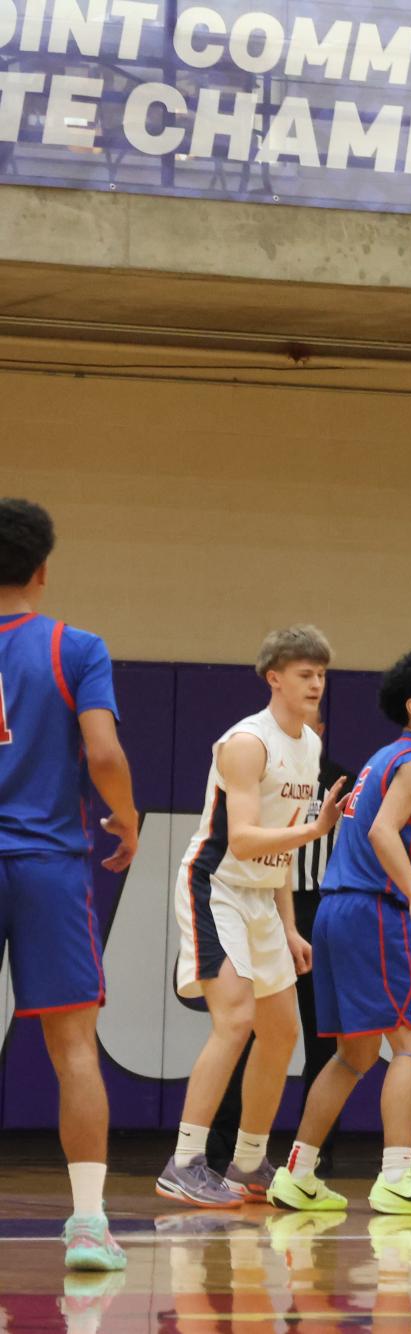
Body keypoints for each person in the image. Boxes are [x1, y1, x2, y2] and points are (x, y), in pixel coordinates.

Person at [266, 649, 411, 1217]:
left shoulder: (382, 758)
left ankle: (298, 1174)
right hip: (375, 912)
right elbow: (384, 832)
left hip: (335, 911)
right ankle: (398, 1176)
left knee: (354, 1054)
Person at [157, 627, 346, 1209]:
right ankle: (184, 1162)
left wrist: (289, 927)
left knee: (283, 1030)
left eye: (321, 673)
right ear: (275, 678)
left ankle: (246, 1164)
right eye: (304, 673)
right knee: (234, 1019)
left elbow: (279, 854)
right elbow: (240, 840)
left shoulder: (309, 746)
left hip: (264, 898)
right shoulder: (246, 743)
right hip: (215, 886)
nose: (315, 683)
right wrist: (316, 829)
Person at [0, 498, 139, 1271]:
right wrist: (126, 817)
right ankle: (88, 1224)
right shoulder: (74, 646)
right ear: (43, 569)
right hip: (48, 862)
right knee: (74, 1048)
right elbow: (103, 752)